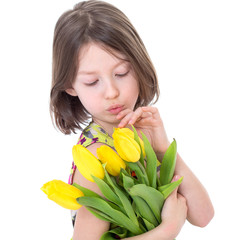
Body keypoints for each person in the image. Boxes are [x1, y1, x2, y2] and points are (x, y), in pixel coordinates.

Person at [50, 1, 214, 239]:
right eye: (92, 82)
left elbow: (204, 216)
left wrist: (163, 150)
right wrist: (167, 230)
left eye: (121, 73)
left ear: (139, 65)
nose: (112, 92)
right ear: (69, 86)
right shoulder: (95, 156)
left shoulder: (141, 133)